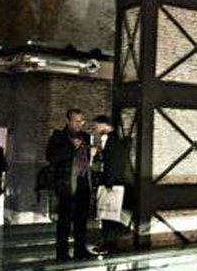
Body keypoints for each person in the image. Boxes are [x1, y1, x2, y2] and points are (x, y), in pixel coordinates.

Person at [46, 109, 93, 261]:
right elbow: (51, 157)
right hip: (67, 185)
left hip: (84, 182)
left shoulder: (85, 137)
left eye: (82, 121)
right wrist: (71, 147)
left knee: (81, 219)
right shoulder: (58, 137)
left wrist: (93, 154)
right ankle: (62, 253)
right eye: (76, 121)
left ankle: (80, 250)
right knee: (65, 220)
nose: (80, 124)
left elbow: (88, 161)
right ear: (68, 121)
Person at [90, 115, 132, 253]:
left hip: (112, 183)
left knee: (108, 216)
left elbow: (113, 164)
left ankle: (108, 244)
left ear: (104, 125)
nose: (95, 130)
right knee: (111, 216)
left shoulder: (111, 141)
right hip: (115, 182)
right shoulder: (115, 140)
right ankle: (110, 244)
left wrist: (108, 183)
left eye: (96, 126)